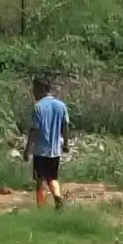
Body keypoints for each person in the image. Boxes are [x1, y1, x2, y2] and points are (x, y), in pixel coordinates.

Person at [25, 77, 70, 210]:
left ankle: (41, 207)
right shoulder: (61, 106)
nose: (33, 92)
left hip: (40, 150)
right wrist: (66, 143)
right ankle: (57, 195)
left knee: (40, 180)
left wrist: (27, 149)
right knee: (53, 178)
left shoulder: (38, 107)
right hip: (55, 150)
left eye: (35, 89)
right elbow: (65, 127)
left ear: (41, 89)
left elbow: (35, 130)